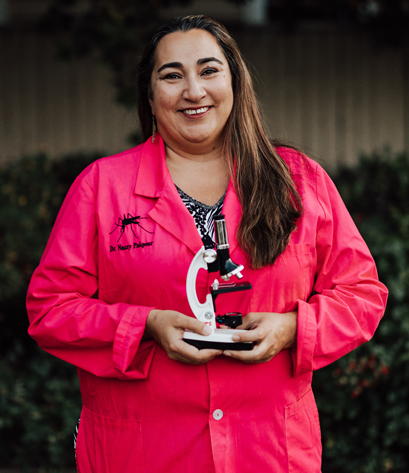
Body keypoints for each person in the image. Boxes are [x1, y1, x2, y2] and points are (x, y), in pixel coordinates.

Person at [26, 14, 388, 473]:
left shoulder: (298, 180)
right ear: (151, 95)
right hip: (142, 453)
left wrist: (293, 328)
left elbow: (362, 294)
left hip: (270, 450)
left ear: (235, 83)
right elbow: (50, 310)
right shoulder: (102, 188)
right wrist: (146, 326)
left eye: (209, 70)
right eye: (172, 75)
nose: (193, 91)